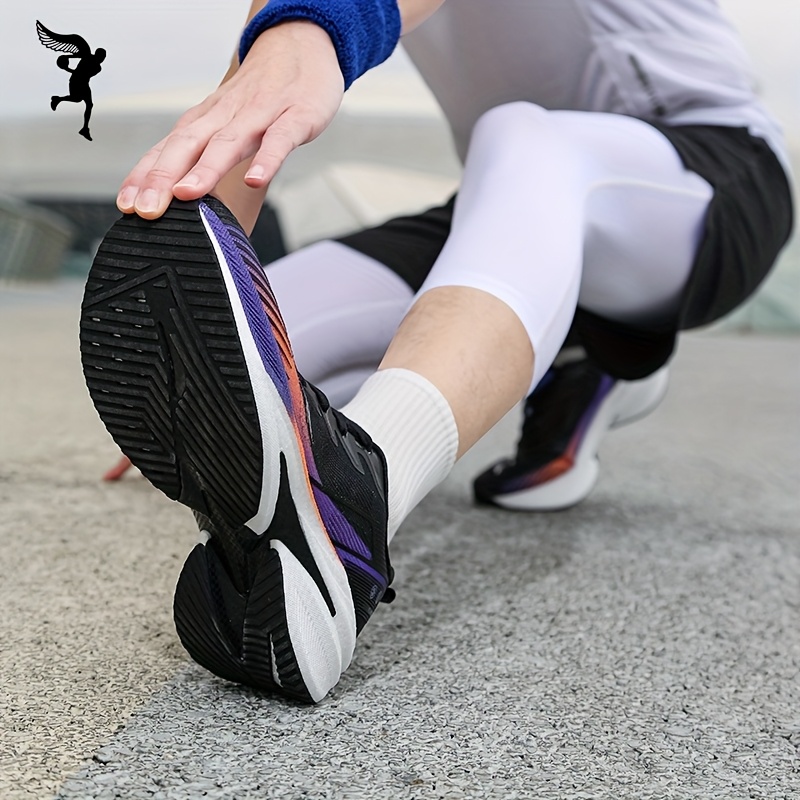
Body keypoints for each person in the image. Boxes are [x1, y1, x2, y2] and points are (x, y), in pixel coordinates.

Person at [79, 0, 793, 703]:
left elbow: (310, 32)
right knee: (275, 318)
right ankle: (574, 354)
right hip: (508, 200)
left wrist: (310, 28)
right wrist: (197, 385)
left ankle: (358, 499)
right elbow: (248, 119)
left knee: (523, 135)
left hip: (704, 178)